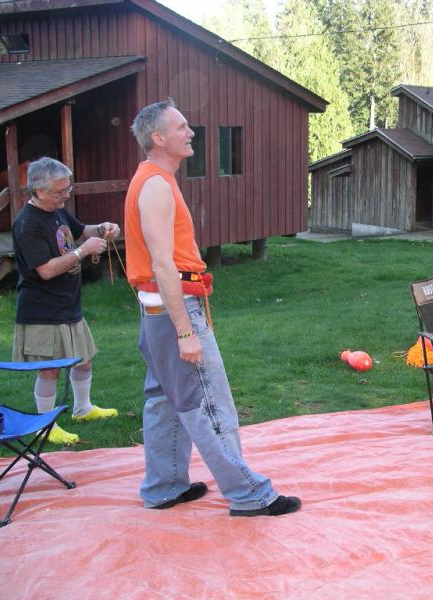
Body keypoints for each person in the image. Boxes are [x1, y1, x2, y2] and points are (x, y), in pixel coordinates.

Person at [124, 100, 301, 516]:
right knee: (208, 403)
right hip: (173, 312)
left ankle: (164, 487)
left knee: (165, 401)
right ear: (158, 138)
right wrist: (185, 331)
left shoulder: (154, 180)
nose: (191, 133)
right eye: (182, 127)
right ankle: (248, 495)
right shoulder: (154, 185)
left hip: (158, 312)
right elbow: (162, 263)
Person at [12, 157, 120, 445]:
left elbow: (82, 229)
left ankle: (83, 409)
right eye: (60, 191)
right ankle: (44, 425)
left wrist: (103, 227)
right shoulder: (27, 224)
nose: (66, 195)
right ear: (39, 191)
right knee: (50, 369)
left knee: (84, 361)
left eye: (67, 188)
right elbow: (45, 270)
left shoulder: (57, 211)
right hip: (41, 311)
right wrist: (81, 252)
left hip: (68, 306)